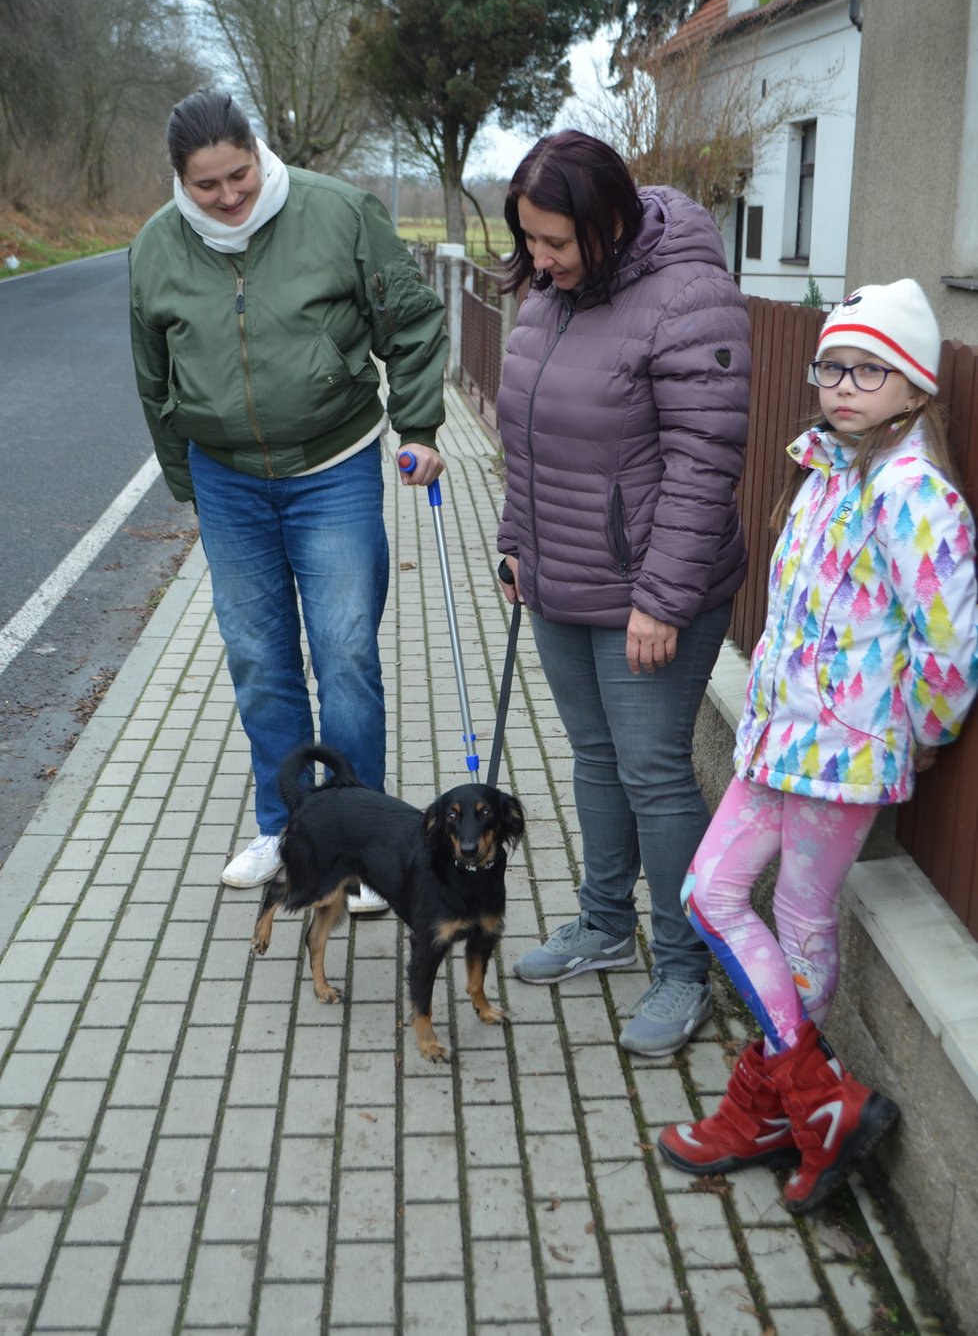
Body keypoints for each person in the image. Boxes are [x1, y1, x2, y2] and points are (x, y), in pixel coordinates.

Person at [658, 279, 978, 1214]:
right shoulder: (829, 469)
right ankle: (820, 1099)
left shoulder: (915, 493)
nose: (843, 384)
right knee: (707, 893)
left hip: (845, 758)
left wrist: (918, 736)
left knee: (800, 924)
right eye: (832, 366)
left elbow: (951, 646)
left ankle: (772, 1106)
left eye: (868, 369)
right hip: (778, 741)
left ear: (914, 387)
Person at [129, 89, 448, 901]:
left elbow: (409, 323)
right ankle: (285, 830)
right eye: (208, 186)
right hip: (228, 479)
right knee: (258, 661)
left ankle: (363, 842)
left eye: (239, 175)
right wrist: (184, 479)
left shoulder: (339, 213)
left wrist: (418, 430)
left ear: (257, 152)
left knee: (344, 654)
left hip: (332, 467)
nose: (229, 197)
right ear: (180, 181)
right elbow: (154, 379)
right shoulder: (156, 250)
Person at [495, 130, 751, 1057]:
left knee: (652, 772)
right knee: (595, 759)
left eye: (558, 242)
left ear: (610, 221)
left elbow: (703, 461)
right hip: (560, 576)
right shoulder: (548, 294)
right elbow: (524, 434)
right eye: (530, 241)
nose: (541, 260)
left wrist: (664, 598)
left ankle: (683, 970)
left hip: (653, 589)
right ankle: (605, 925)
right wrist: (516, 544)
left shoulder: (687, 295)